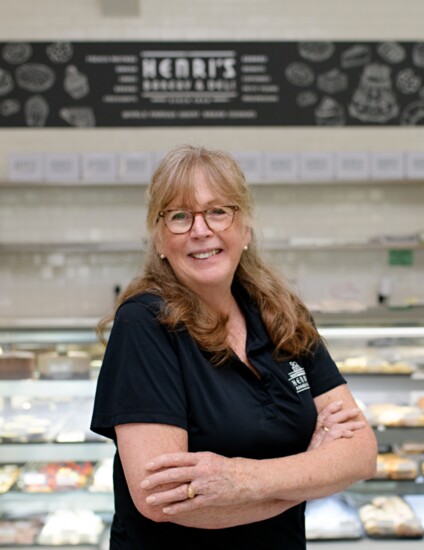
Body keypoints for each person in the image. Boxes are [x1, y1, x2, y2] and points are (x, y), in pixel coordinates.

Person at [90, 144, 377, 549]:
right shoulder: (145, 323)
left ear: (245, 229)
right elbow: (163, 500)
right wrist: (314, 472)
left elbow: (361, 454)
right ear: (159, 239)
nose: (201, 229)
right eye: (179, 216)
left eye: (218, 211)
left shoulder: (282, 314)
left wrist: (241, 480)